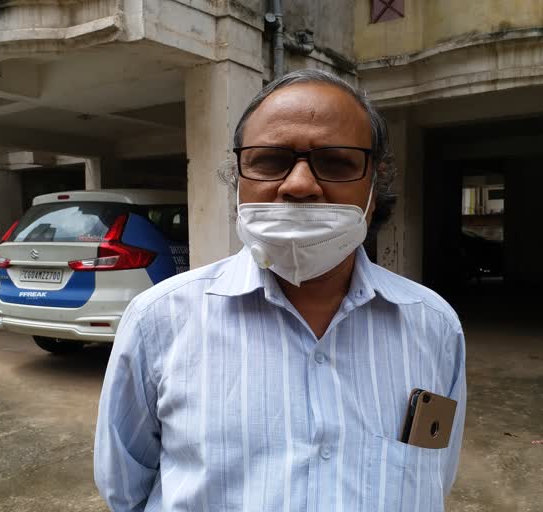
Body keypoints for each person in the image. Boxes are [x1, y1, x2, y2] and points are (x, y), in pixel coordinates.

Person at [94, 69, 466, 512]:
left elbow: (432, 473)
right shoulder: (160, 319)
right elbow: (126, 487)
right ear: (239, 177)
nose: (299, 185)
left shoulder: (433, 323)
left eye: (336, 161)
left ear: (374, 183)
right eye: (270, 160)